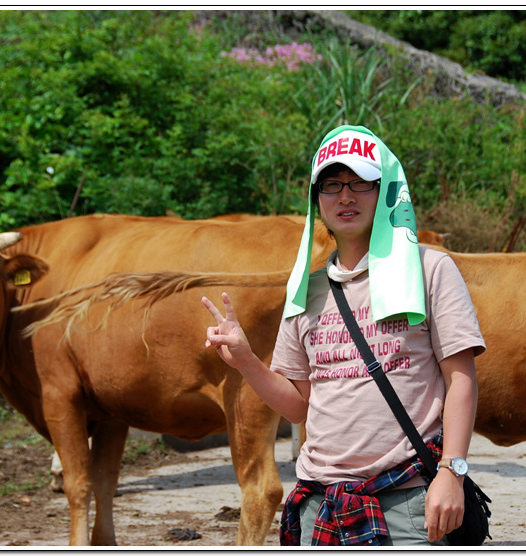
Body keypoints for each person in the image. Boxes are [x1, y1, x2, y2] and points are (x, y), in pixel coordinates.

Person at [202, 125, 486, 546]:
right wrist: (246, 360)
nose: (346, 196)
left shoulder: (430, 270)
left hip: (406, 499)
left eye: (360, 183)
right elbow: (298, 407)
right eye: (332, 184)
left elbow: (461, 380)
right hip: (320, 503)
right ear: (318, 201)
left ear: (386, 190)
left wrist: (451, 473)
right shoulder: (307, 289)